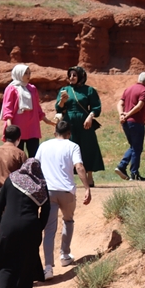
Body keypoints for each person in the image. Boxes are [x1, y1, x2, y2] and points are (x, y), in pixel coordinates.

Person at [0, 158, 51, 288]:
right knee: (26, 261)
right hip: (29, 227)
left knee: (5, 260)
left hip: (8, 226)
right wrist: (39, 227)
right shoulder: (41, 185)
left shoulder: (12, 179)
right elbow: (46, 210)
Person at [34, 119, 91, 279]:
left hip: (48, 191)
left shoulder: (44, 145)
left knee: (49, 230)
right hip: (67, 191)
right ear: (69, 134)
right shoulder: (72, 146)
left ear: (55, 133)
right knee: (68, 220)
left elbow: (35, 165)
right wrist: (87, 187)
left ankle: (48, 268)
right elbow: (79, 166)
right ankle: (65, 255)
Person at [54, 66, 103, 187]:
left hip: (84, 121)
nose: (71, 77)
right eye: (70, 75)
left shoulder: (89, 90)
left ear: (80, 76)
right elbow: (58, 108)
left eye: (74, 75)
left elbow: (96, 107)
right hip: (69, 121)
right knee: (69, 148)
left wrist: (90, 117)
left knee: (88, 146)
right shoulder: (64, 90)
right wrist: (62, 101)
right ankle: (68, 177)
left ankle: (89, 177)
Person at [0, 64, 49, 158]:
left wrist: (47, 120)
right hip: (17, 127)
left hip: (33, 127)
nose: (28, 75)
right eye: (25, 73)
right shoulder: (11, 89)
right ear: (18, 74)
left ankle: (33, 172)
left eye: (29, 73)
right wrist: (10, 127)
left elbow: (37, 107)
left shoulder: (32, 88)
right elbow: (8, 108)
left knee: (34, 156)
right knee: (18, 155)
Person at [115, 71, 145, 181]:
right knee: (137, 148)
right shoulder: (143, 90)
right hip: (136, 122)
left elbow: (120, 103)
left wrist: (122, 114)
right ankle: (132, 172)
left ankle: (123, 167)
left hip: (126, 123)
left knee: (134, 147)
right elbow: (140, 106)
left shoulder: (128, 89)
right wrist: (127, 115)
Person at [0, 125, 27, 218]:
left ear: (4, 137)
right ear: (19, 138)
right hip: (12, 195)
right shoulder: (20, 154)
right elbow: (25, 178)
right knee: (11, 228)